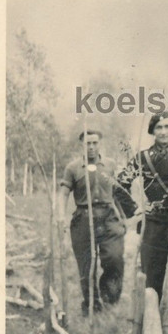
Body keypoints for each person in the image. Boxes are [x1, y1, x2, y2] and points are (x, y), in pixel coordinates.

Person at [117, 112, 168, 297]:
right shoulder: (143, 158)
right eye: (159, 128)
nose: (163, 132)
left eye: (167, 126)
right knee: (152, 276)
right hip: (153, 224)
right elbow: (119, 185)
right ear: (152, 131)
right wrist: (134, 209)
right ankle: (151, 314)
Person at [58, 130, 127, 316]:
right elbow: (63, 193)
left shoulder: (110, 165)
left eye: (95, 143)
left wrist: (123, 217)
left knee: (114, 258)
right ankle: (91, 306)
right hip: (83, 219)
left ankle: (110, 300)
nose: (91, 147)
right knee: (86, 266)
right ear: (82, 145)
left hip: (109, 218)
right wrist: (61, 217)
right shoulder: (73, 168)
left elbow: (118, 193)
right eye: (87, 143)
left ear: (100, 143)